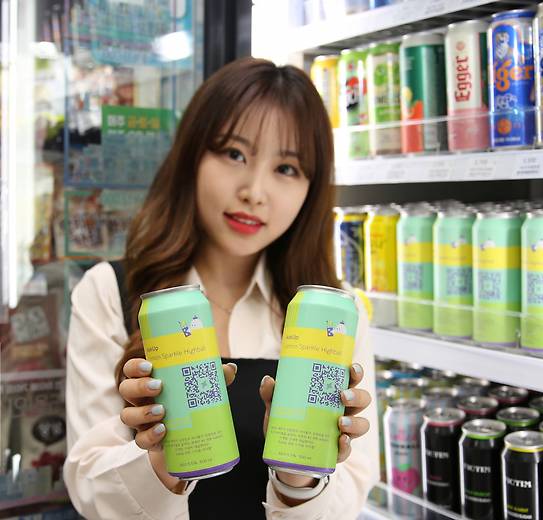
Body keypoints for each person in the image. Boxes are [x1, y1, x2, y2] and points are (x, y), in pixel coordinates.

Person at [63, 58, 379, 519]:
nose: (254, 190)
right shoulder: (111, 291)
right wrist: (159, 462)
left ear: (311, 188)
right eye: (234, 154)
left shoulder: (336, 316)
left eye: (287, 168)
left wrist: (299, 475)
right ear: (192, 155)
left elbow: (349, 498)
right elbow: (88, 487)